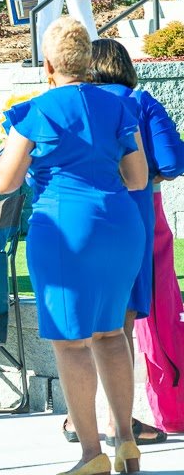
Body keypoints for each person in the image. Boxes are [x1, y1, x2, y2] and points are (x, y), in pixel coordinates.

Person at [0, 18, 148, 475]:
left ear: (48, 65)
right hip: (121, 223)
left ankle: (90, 453)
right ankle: (127, 441)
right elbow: (138, 178)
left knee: (70, 341)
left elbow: (4, 182)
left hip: (64, 226)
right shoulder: (119, 104)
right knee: (111, 334)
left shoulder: (37, 109)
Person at [57, 38, 184, 446]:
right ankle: (119, 424)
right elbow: (171, 162)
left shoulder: (63, 104)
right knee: (119, 326)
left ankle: (80, 419)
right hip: (128, 219)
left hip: (72, 223)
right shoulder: (139, 101)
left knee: (78, 326)